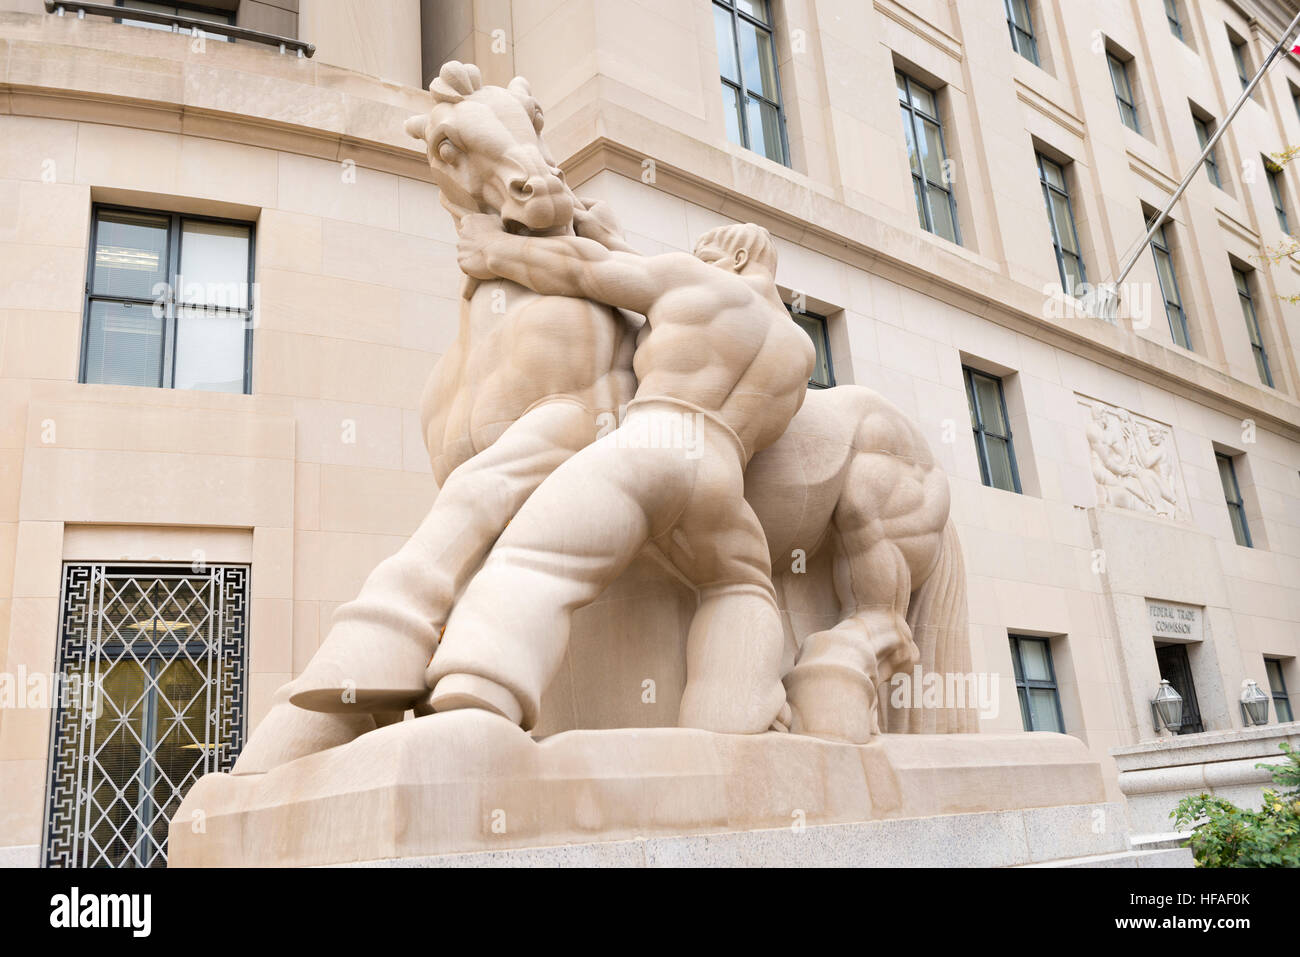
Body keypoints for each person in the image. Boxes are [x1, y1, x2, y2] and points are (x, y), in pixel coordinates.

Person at [424, 217, 815, 734]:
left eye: (704, 252)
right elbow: (646, 274)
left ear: (736, 259)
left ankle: (479, 683)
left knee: (537, 557)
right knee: (741, 585)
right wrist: (608, 233)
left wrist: (493, 250)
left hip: (651, 444)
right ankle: (735, 715)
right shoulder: (798, 349)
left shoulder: (692, 282)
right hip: (722, 476)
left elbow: (587, 271)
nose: (693, 259)